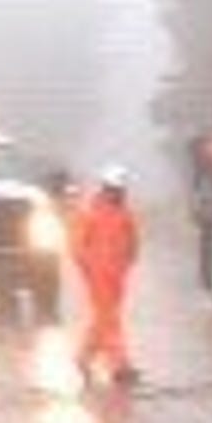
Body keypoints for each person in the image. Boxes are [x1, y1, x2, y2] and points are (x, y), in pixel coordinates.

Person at [73, 166, 142, 388]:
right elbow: (77, 247)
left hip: (117, 277)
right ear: (104, 188)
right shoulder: (90, 212)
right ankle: (119, 366)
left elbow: (133, 242)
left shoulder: (125, 213)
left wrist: (126, 264)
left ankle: (83, 358)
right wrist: (90, 270)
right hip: (98, 276)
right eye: (112, 189)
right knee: (110, 321)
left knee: (102, 321)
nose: (116, 193)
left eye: (119, 190)